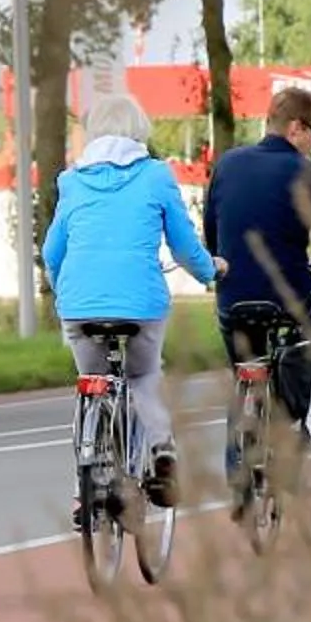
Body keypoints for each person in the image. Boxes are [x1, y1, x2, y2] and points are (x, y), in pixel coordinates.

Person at [42, 93, 222, 509]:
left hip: (79, 305)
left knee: (93, 385)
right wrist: (212, 272)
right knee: (142, 377)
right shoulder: (157, 176)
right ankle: (161, 450)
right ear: (139, 130)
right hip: (140, 303)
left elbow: (53, 253)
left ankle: (84, 485)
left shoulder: (71, 180)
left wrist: (64, 290)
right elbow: (184, 248)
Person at [204, 85, 311, 437]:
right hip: (289, 295)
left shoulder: (226, 164)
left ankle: (242, 468)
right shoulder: (306, 172)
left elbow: (211, 236)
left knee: (244, 366)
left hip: (233, 296)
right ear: (295, 128)